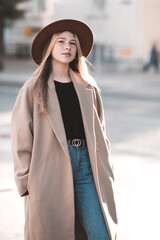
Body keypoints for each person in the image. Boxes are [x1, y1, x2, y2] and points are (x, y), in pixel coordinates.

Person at [11, 19, 118, 240]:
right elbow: (21, 138)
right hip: (49, 169)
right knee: (55, 232)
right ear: (50, 46)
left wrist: (107, 168)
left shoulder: (88, 87)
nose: (67, 47)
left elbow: (102, 133)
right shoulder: (33, 88)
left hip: (87, 168)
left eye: (72, 43)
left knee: (101, 233)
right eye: (61, 41)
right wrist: (26, 182)